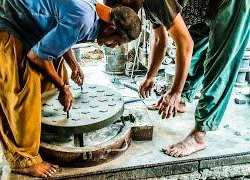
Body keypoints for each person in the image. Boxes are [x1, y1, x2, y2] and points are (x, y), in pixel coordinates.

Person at [0, 0, 140, 177]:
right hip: (3, 20)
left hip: (27, 21)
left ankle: (41, 133)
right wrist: (63, 88)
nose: (114, 46)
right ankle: (22, 159)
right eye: (116, 41)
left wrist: (74, 64)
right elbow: (36, 57)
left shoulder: (99, 12)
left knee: (57, 70)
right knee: (24, 88)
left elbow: (61, 31)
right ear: (109, 29)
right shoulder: (84, 19)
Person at [105, 0, 250, 157]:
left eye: (120, 10)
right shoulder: (146, 6)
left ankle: (200, 134)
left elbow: (185, 45)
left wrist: (175, 91)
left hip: (233, 4)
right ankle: (180, 100)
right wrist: (150, 76)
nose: (122, 18)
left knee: (220, 63)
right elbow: (160, 41)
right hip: (207, 7)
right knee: (195, 49)